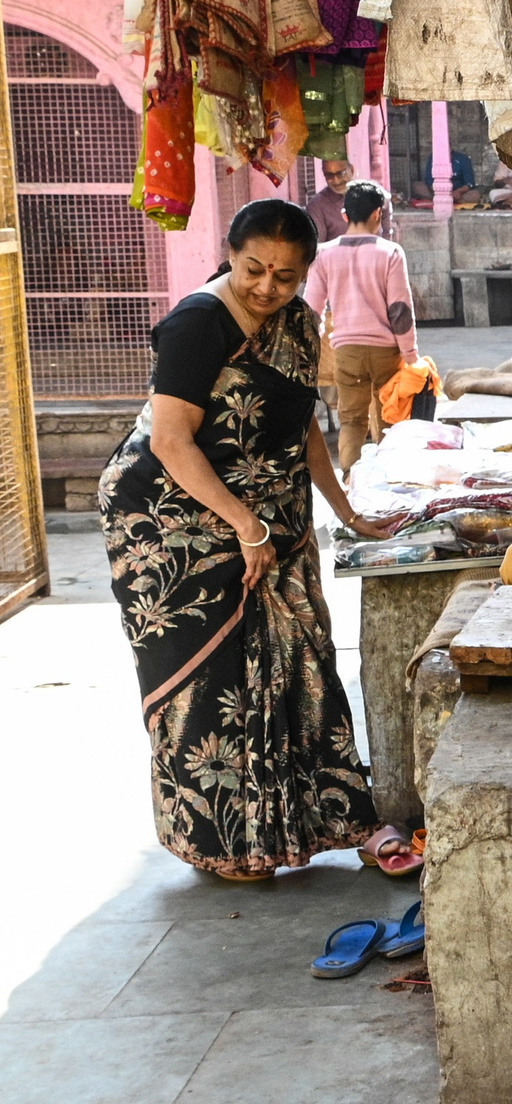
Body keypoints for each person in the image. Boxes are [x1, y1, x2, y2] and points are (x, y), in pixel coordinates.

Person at [97, 198, 409, 882]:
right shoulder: (197, 325)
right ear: (230, 256)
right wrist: (245, 525)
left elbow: (301, 431)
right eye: (254, 269)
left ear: (305, 274)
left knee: (298, 658)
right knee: (209, 684)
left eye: (286, 275)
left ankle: (325, 819)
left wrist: (346, 513)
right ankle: (224, 843)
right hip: (172, 524)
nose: (267, 287)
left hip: (265, 516)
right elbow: (171, 441)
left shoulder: (296, 325)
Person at [304, 180, 419, 472]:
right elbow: (400, 311)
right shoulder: (390, 253)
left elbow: (311, 310)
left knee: (351, 421)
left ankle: (351, 485)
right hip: (386, 353)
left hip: (347, 352)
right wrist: (411, 356)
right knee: (389, 419)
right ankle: (389, 483)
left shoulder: (323, 254)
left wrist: (309, 349)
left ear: (345, 215)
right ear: (378, 214)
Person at [304, 159, 351, 244]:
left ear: (351, 170)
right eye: (329, 175)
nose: (336, 180)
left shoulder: (371, 197)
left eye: (341, 174)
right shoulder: (317, 206)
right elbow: (317, 248)